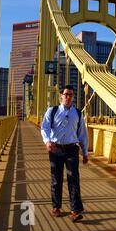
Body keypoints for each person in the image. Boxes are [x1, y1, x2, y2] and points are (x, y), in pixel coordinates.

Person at [41, 85, 89, 222]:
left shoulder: (78, 114)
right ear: (61, 95)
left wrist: (85, 153)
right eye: (66, 94)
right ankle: (56, 207)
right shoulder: (53, 111)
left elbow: (82, 135)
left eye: (71, 95)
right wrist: (47, 141)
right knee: (56, 179)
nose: (68, 97)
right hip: (55, 149)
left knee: (73, 179)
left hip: (71, 149)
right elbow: (44, 127)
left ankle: (75, 210)